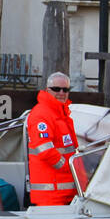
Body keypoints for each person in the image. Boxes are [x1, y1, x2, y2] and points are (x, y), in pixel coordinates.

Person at [26, 72, 79, 206]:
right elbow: (45, 150)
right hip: (51, 195)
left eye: (66, 89)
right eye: (56, 89)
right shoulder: (42, 115)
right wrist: (71, 167)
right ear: (47, 90)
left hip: (65, 193)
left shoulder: (61, 114)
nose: (61, 93)